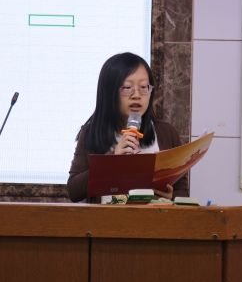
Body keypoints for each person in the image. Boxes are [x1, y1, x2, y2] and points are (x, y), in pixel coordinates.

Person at [67, 52, 189, 203]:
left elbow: (182, 192)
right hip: (108, 218)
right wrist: (111, 162)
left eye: (143, 87)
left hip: (153, 217)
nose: (137, 95)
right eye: (127, 87)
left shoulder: (166, 133)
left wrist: (171, 197)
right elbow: (74, 191)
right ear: (109, 92)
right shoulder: (91, 133)